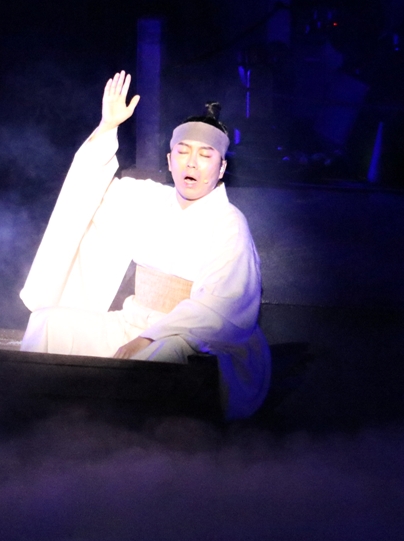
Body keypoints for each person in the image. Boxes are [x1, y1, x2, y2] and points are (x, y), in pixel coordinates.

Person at [19, 70, 270, 419]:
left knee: (157, 357)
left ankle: (123, 443)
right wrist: (107, 128)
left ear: (222, 166)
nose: (192, 162)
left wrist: (150, 338)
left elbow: (221, 310)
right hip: (134, 322)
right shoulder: (147, 199)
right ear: (169, 160)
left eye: (205, 154)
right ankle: (31, 419)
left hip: (193, 339)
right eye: (182, 152)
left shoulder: (229, 223)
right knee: (49, 324)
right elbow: (86, 194)